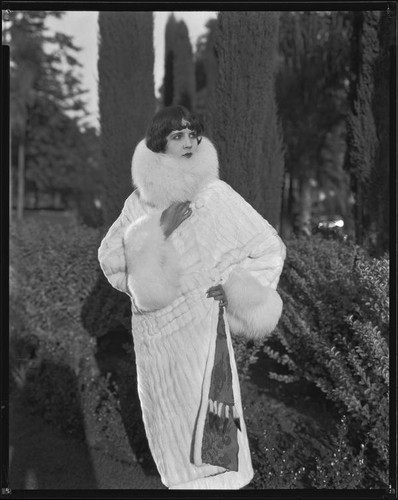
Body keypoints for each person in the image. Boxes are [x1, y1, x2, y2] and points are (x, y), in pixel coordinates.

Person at [98, 105, 286, 489]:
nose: (188, 142)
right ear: (159, 145)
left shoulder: (216, 195)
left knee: (213, 438)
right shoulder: (140, 203)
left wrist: (235, 290)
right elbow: (112, 262)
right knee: (170, 429)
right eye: (177, 135)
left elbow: (268, 247)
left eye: (192, 133)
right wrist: (157, 230)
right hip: (156, 340)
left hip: (202, 332)